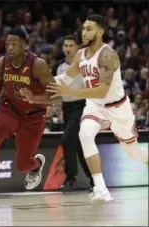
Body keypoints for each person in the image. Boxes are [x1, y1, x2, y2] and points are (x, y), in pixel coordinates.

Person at [21, 14, 148, 205]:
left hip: (117, 108)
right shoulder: (81, 55)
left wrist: (69, 90)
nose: (84, 32)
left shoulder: (108, 55)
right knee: (85, 135)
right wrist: (36, 89)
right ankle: (100, 188)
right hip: (95, 106)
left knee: (133, 153)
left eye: (89, 29)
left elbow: (103, 90)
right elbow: (65, 77)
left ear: (100, 31)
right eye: (83, 28)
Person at [0, 28, 56, 207]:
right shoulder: (1, 64)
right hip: (10, 109)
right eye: (7, 44)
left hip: (33, 116)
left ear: (24, 45)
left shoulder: (37, 65)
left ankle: (36, 165)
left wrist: (35, 98)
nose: (10, 48)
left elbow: (56, 95)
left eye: (14, 44)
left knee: (22, 165)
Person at [53, 35, 93, 191]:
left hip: (82, 106)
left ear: (77, 48)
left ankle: (71, 177)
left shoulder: (85, 66)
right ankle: (94, 180)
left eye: (71, 45)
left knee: (67, 138)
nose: (68, 48)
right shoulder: (58, 67)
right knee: (79, 145)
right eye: (65, 45)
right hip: (66, 108)